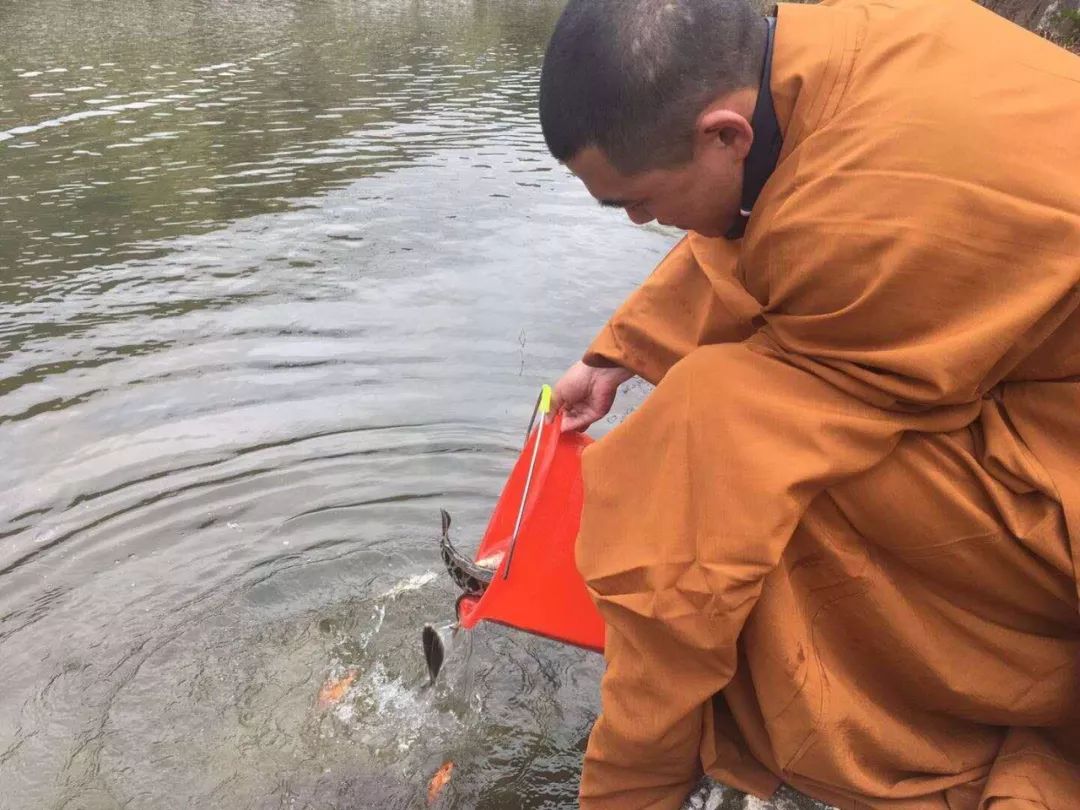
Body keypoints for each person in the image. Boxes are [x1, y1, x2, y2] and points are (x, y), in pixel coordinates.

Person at [538, 0, 1080, 807]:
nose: (642, 223)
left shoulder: (872, 206)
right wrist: (619, 352)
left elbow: (822, 242)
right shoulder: (834, 43)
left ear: (725, 134)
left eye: (637, 201)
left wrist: (629, 777)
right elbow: (775, 220)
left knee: (714, 460)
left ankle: (902, 723)